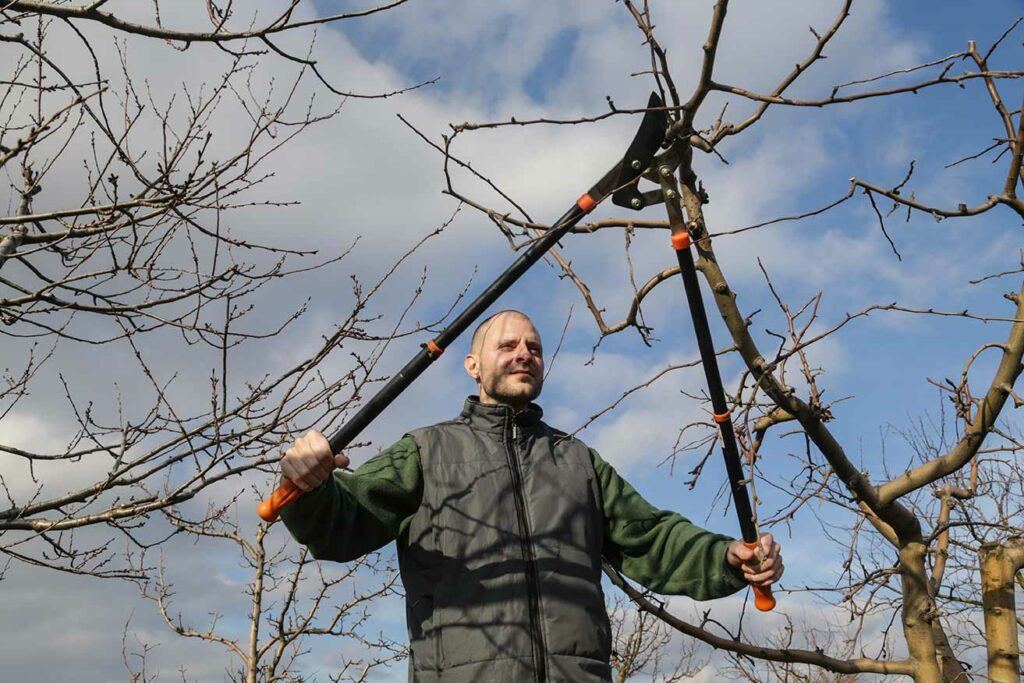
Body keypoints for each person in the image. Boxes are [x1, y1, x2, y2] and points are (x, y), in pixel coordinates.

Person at [279, 309, 783, 682]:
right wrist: (309, 487)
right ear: (473, 366)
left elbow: (651, 539)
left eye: (535, 348)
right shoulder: (426, 451)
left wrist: (727, 558)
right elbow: (343, 523)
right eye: (509, 346)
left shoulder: (577, 461)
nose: (525, 354)